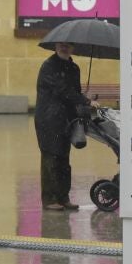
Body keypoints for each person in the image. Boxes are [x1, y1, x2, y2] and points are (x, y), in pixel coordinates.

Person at [35, 41, 92, 211]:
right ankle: (49, 199)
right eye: (61, 45)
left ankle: (63, 197)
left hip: (66, 120)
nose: (64, 48)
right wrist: (86, 100)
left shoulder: (74, 68)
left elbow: (74, 91)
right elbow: (62, 90)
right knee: (51, 158)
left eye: (67, 45)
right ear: (55, 46)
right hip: (48, 119)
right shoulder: (49, 66)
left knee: (64, 160)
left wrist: (81, 101)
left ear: (73, 48)